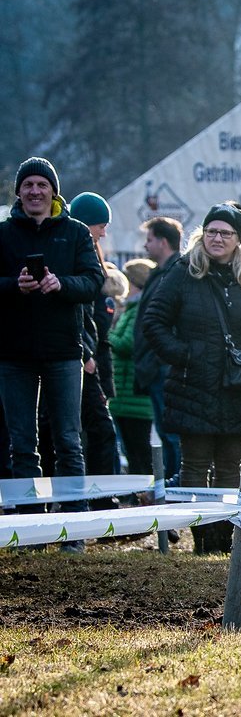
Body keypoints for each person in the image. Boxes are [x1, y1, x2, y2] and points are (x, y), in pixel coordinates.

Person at [142, 202, 241, 554]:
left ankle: (220, 539)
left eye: (226, 233)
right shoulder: (184, 271)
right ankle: (199, 538)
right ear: (202, 234)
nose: (217, 238)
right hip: (192, 386)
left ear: (238, 239)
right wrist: (186, 355)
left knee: (229, 466)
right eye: (212, 231)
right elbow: (154, 323)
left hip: (236, 388)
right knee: (194, 466)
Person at [0, 158, 104, 552]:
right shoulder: (4, 234)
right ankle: (30, 530)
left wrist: (62, 284)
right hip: (13, 354)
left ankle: (72, 530)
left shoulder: (76, 233)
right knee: (22, 444)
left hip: (63, 352)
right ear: (19, 192)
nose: (35, 191)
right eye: (28, 184)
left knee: (68, 440)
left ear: (53, 191)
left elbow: (95, 281)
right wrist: (15, 285)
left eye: (42, 184)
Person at [64, 192, 123, 511]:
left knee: (97, 430)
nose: (103, 233)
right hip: (83, 357)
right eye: (100, 226)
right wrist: (85, 351)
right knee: (95, 431)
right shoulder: (76, 253)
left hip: (93, 357)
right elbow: (81, 312)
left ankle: (103, 498)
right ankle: (98, 500)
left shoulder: (92, 255)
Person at [133, 215, 184, 483]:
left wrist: (159, 360)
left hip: (163, 369)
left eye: (149, 239)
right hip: (155, 369)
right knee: (165, 433)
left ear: (163, 242)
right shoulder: (160, 272)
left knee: (172, 433)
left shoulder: (176, 273)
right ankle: (171, 487)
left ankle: (177, 487)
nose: (145, 246)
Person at [107, 259, 157, 483]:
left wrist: (105, 335)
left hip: (133, 396)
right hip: (125, 395)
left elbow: (128, 344)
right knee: (132, 449)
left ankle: (145, 493)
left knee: (139, 450)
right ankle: (139, 494)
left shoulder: (138, 309)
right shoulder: (131, 308)